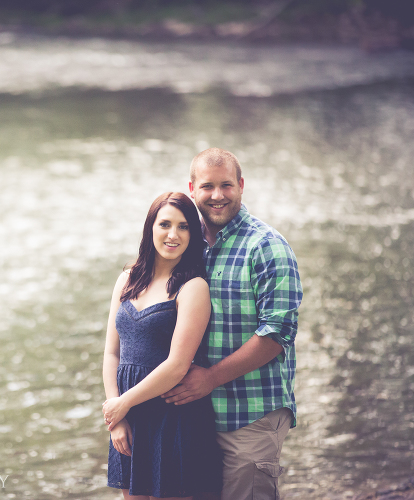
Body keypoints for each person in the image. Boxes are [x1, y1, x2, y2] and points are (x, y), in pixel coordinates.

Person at [161, 148, 303, 500]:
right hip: (196, 416)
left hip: (250, 413)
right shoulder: (188, 247)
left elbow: (277, 334)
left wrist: (209, 378)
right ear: (192, 189)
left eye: (227, 185)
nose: (217, 195)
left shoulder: (267, 247)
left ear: (241, 186)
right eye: (208, 186)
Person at [102, 191, 223, 499]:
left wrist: (123, 403)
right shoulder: (127, 278)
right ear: (150, 228)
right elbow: (112, 352)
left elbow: (177, 365)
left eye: (183, 227)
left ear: (193, 235)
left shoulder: (193, 287)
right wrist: (116, 417)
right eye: (165, 224)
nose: (173, 234)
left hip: (173, 418)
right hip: (129, 418)